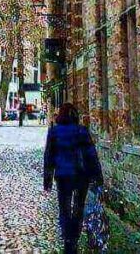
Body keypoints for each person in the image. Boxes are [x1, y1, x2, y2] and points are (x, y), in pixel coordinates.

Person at [43, 103, 103, 254]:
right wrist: (97, 176)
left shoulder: (54, 132)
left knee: (64, 208)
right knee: (78, 207)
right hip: (80, 174)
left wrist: (47, 179)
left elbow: (49, 156)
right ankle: (74, 237)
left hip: (63, 175)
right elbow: (91, 154)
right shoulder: (81, 130)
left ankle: (68, 239)